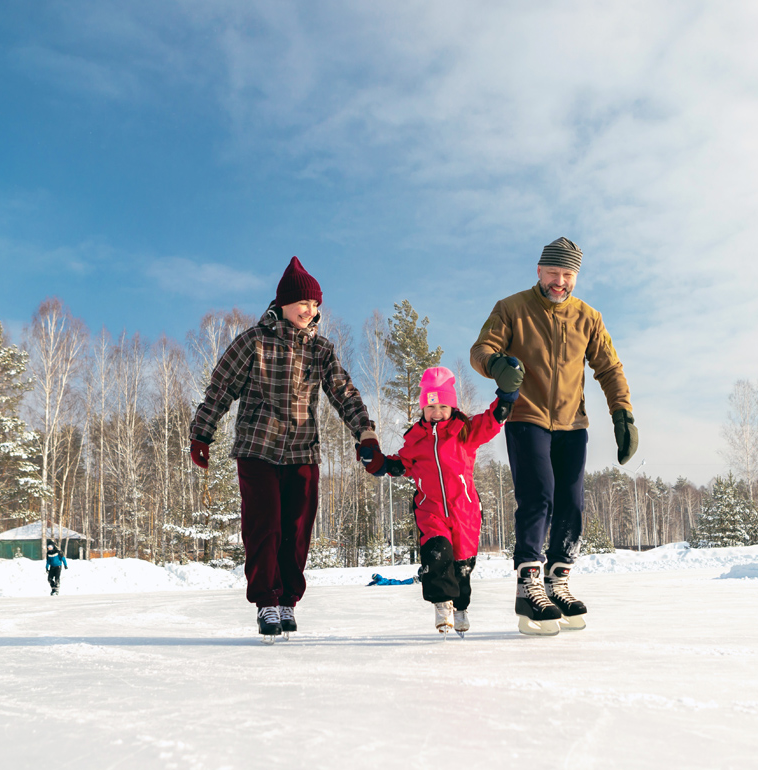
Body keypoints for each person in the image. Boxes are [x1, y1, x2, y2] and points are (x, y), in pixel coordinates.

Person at [189, 256, 380, 640]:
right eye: (302, 304)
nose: (310, 311)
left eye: (315, 306)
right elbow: (221, 387)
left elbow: (343, 392)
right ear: (283, 304)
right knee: (265, 527)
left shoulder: (321, 350)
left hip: (302, 452)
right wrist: (202, 434)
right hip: (258, 448)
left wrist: (366, 433)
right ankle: (267, 602)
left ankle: (288, 600)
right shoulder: (253, 341)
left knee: (296, 529)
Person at [470, 237, 638, 635]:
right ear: (539, 271)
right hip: (525, 417)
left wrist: (622, 412)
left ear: (575, 277)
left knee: (571, 501)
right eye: (553, 273)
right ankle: (529, 582)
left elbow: (609, 367)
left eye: (567, 275)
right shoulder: (511, 308)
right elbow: (481, 348)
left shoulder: (588, 317)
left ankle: (557, 580)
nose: (559, 282)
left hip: (572, 423)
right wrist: (495, 364)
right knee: (538, 495)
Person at [360, 366, 517, 636]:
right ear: (423, 408)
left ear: (452, 406)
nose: (437, 412)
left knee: (462, 566)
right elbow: (401, 464)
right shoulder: (415, 439)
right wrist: (379, 464)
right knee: (437, 554)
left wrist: (506, 395)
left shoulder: (464, 431)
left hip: (464, 511)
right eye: (431, 405)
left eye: (443, 405)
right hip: (430, 511)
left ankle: (461, 607)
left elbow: (492, 421)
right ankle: (442, 604)